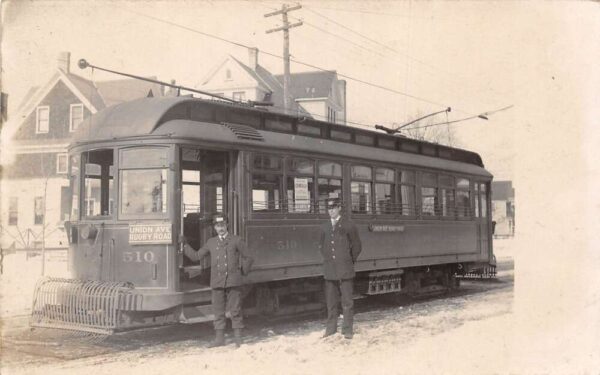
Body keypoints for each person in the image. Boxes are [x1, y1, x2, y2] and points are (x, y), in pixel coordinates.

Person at [183, 214, 253, 348]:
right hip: (217, 282)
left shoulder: (236, 240)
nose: (220, 228)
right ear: (214, 227)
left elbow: (248, 257)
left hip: (233, 281)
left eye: (222, 225)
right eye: (217, 226)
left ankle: (238, 340)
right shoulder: (211, 242)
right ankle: (219, 340)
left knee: (235, 310)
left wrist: (242, 272)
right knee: (218, 311)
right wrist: (184, 244)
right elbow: (196, 256)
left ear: (227, 225)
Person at [319, 198, 362, 339]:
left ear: (339, 208)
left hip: (345, 268)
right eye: (328, 208)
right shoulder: (325, 227)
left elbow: (357, 246)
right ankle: (331, 329)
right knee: (331, 302)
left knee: (347, 302)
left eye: (333, 208)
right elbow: (322, 246)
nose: (330, 210)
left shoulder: (348, 225)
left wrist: (348, 260)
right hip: (330, 269)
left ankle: (347, 330)